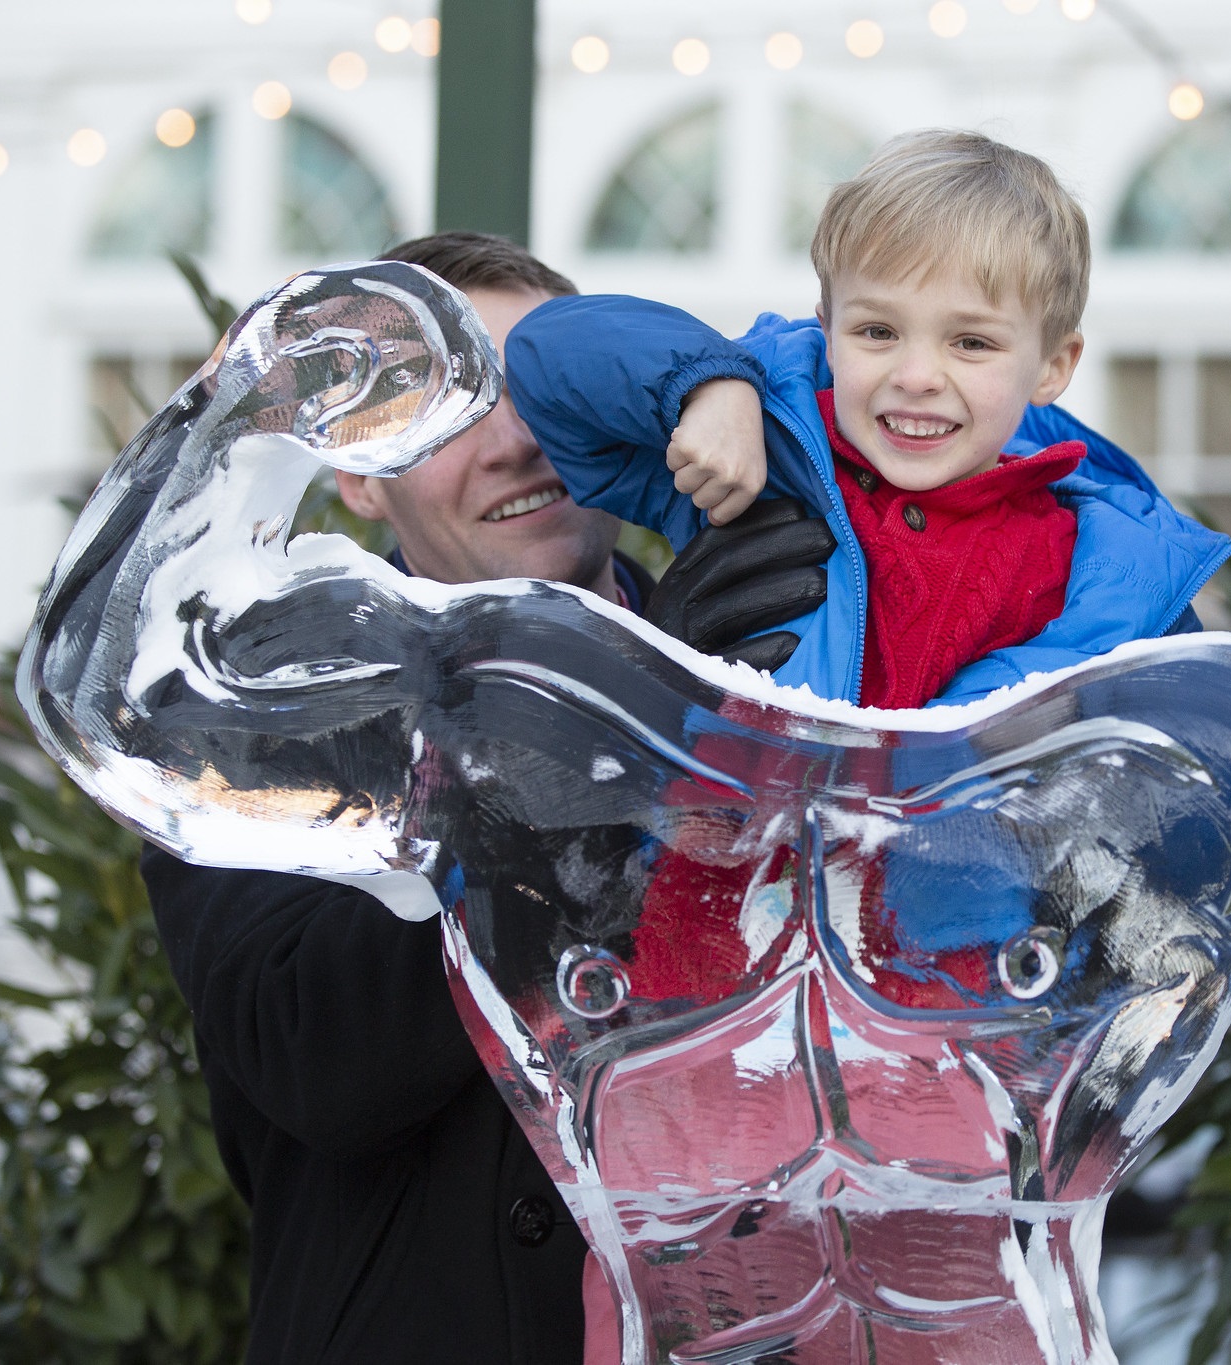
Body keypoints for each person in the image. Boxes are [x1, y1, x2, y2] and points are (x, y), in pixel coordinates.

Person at [140, 231, 836, 1365]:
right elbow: (325, 1060)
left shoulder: (786, 676)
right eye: (451, 410)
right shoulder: (248, 724)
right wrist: (639, 725)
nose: (518, 443)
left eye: (549, 391)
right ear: (355, 472)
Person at [506, 130, 1231, 710]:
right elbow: (546, 350)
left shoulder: (1107, 576)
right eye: (877, 332)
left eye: (971, 342)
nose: (915, 376)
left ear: (1052, 365)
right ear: (826, 329)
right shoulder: (764, 463)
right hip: (725, 888)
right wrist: (710, 386)